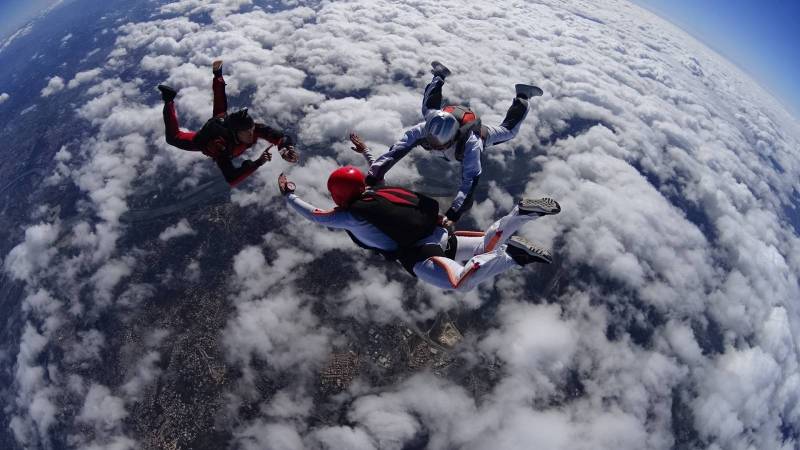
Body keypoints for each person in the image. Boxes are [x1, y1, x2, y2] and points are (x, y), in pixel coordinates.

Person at [278, 167, 560, 292]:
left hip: (420, 254)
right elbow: (380, 176)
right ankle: (519, 214)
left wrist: (289, 195)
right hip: (441, 236)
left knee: (460, 283)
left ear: (338, 194)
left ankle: (513, 255)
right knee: (486, 246)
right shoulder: (376, 193)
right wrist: (365, 152)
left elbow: (315, 214)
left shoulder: (348, 216)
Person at [363, 61, 542, 225]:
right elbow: (395, 152)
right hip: (446, 117)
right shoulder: (424, 128)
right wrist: (372, 177)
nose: (434, 147)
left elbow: (469, 182)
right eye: (432, 142)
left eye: (440, 146)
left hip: (472, 129)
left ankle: (523, 95)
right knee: (428, 108)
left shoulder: (472, 143)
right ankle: (439, 74)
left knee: (509, 131)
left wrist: (453, 214)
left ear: (453, 139)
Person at [157, 60, 299, 187]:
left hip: (222, 123)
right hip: (205, 139)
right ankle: (168, 100)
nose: (252, 134)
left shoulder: (253, 128)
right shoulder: (220, 147)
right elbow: (231, 178)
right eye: (247, 132)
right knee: (173, 138)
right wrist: (258, 163)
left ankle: (217, 74)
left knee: (220, 109)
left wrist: (285, 148)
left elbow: (281, 137)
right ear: (236, 132)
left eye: (251, 129)